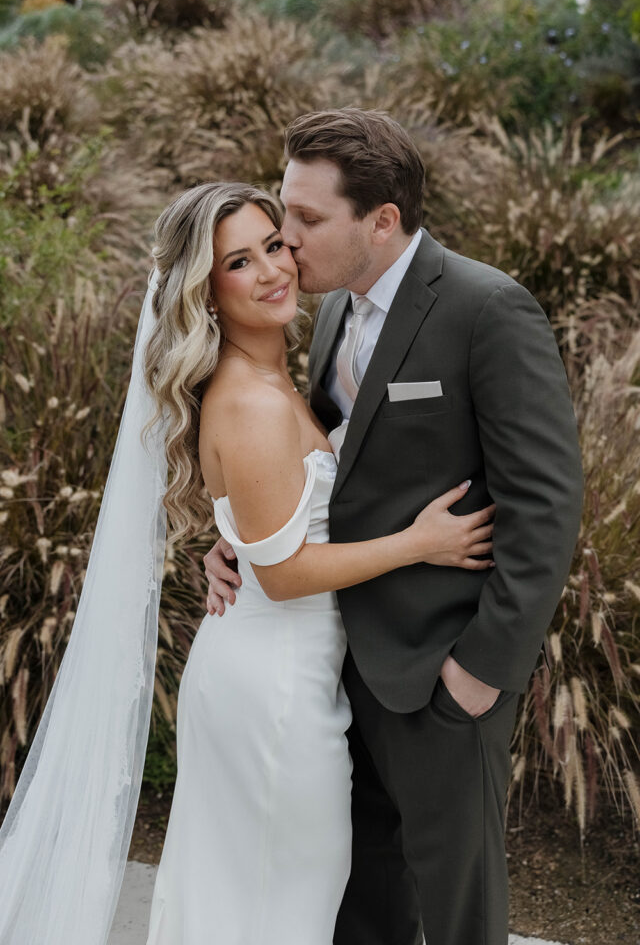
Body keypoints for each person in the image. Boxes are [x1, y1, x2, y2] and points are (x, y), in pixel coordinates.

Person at [0, 180, 495, 945]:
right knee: (280, 907)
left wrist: (230, 537)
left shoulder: (270, 380)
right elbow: (283, 572)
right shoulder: (253, 402)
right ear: (205, 291)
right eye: (239, 262)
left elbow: (274, 527)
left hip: (280, 675)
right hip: (273, 695)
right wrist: (419, 543)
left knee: (257, 900)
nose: (273, 270)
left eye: (274, 244)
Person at [204, 109, 584, 945]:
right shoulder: (333, 313)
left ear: (381, 221)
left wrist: (479, 675)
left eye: (305, 220)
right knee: (362, 901)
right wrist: (240, 536)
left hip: (442, 676)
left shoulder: (487, 309)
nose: (285, 239)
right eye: (281, 210)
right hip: (332, 670)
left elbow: (547, 504)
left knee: (456, 909)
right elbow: (326, 468)